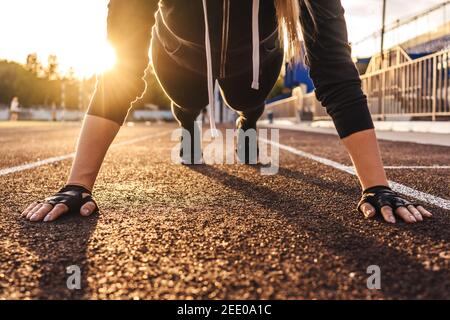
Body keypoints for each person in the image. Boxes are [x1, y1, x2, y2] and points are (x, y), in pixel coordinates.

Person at [21, 0, 432, 224]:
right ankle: (187, 126)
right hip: (178, 58)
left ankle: (247, 123)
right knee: (187, 102)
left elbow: (335, 72)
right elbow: (121, 73)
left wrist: (376, 186)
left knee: (247, 101)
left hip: (253, 61)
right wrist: (78, 184)